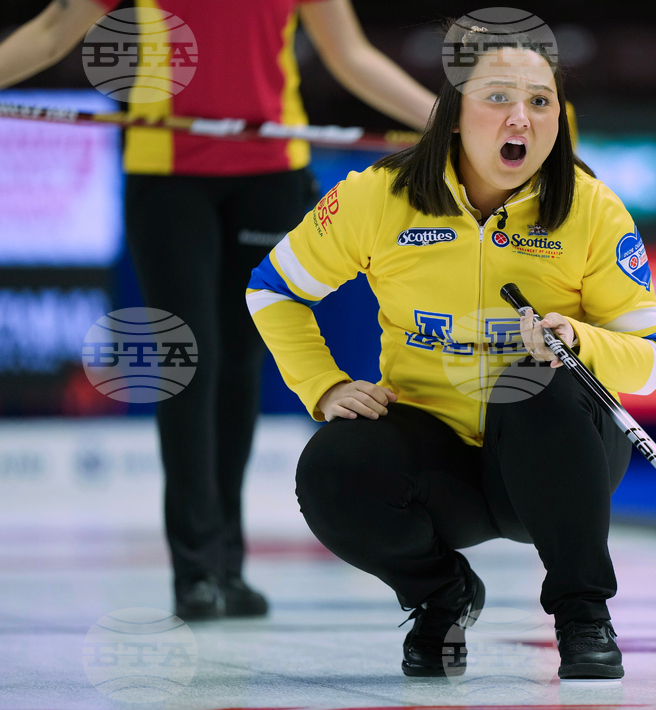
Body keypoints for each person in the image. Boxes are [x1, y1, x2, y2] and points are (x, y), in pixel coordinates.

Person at [246, 26, 656, 679]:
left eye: (540, 101)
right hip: (437, 462)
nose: (519, 117)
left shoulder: (592, 209)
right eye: (498, 96)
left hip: (559, 458)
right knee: (333, 466)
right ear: (451, 114)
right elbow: (272, 289)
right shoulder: (375, 196)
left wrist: (578, 341)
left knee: (537, 380)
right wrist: (323, 384)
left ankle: (584, 615)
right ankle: (441, 598)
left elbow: (653, 357)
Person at [0, 0, 436, 620]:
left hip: (271, 170)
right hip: (168, 171)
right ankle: (195, 569)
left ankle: (228, 564)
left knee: (239, 361)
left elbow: (352, 56)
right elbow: (51, 31)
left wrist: (448, 119)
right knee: (190, 359)